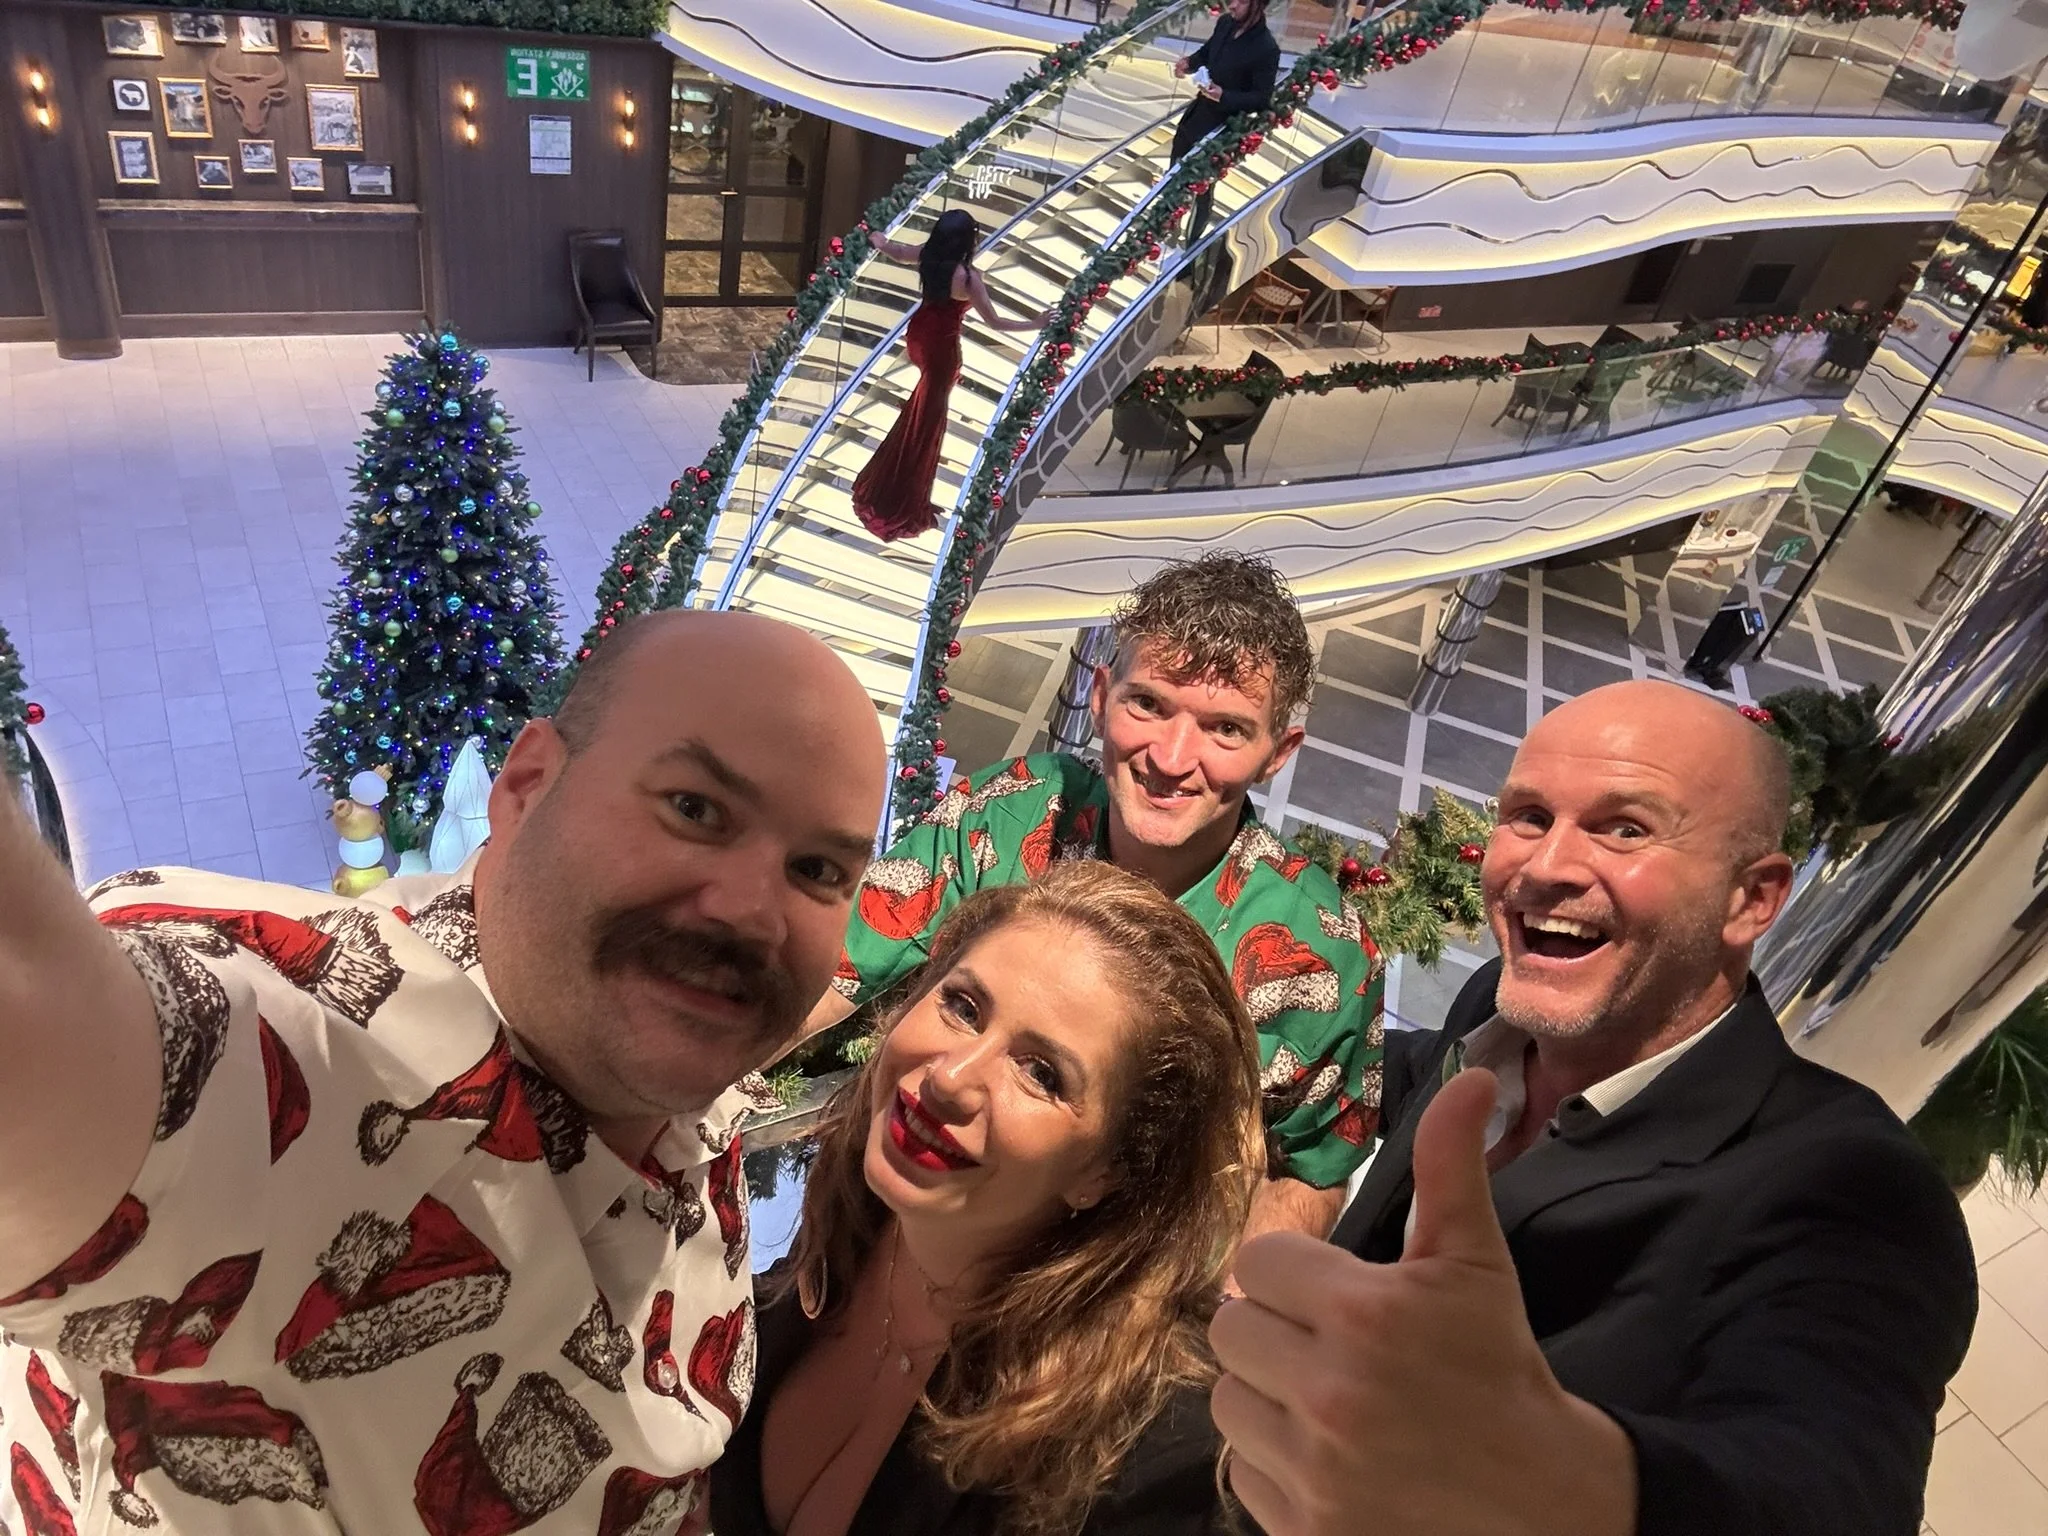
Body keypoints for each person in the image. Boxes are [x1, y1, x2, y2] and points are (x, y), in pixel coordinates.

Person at [0, 612, 888, 1534]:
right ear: (527, 783)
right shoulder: (338, 1061)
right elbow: (63, 1040)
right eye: (694, 809)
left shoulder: (685, 1106)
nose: (755, 914)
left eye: (817, 869)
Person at [1209, 679, 1978, 1536]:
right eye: (1530, 816)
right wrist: (1233, 1050)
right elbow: (1412, 1074)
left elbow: (1832, 1481)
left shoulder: (1853, 1191)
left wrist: (1544, 1487)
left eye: (1626, 829)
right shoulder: (1498, 1007)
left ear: (1751, 899)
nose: (1545, 867)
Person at [802, 552, 1383, 1246]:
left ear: (1277, 753)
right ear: (1102, 697)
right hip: (912, 1207)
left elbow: (1312, 1169)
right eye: (1149, 704)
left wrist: (1221, 1304)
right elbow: (832, 969)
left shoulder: (1323, 953)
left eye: (1225, 728)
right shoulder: (1015, 811)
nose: (1171, 759)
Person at [711, 861, 1263, 1536]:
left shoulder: (1167, 1458)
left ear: (1109, 1173)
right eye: (964, 1007)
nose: (950, 1077)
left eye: (1042, 1074)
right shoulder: (844, 1228)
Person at [855, 210, 1050, 543]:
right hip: (941, 351)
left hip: (919, 336)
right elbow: (995, 322)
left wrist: (878, 240)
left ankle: (899, 487)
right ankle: (898, 501)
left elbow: (897, 252)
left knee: (920, 415)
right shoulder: (968, 278)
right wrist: (1036, 323)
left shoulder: (928, 256)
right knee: (926, 425)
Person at [1169, 0, 1279, 248]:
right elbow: (1208, 53)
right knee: (1173, 174)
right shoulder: (1225, 24)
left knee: (1202, 190)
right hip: (1196, 118)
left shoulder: (1266, 48)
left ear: (1256, 5)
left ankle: (1192, 244)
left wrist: (1224, 96)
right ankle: (1168, 229)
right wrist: (1189, 63)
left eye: (1241, 1)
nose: (1232, 5)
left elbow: (1261, 98)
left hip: (1220, 129)